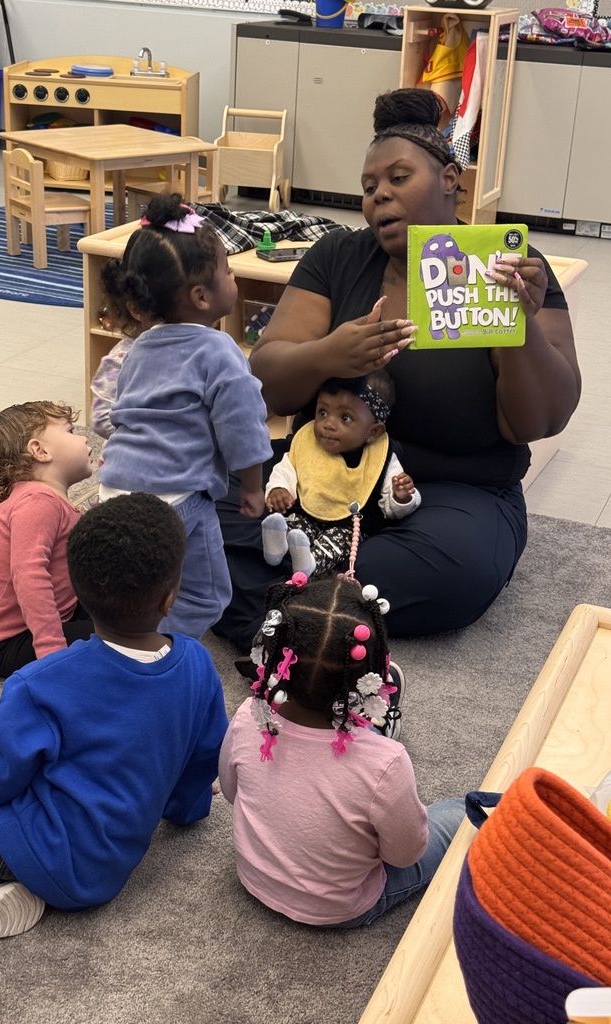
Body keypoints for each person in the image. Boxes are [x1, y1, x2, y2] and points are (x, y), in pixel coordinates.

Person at [214, 88, 581, 651]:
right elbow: (267, 383)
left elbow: (539, 420)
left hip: (453, 492)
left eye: (399, 178)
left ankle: (271, 608)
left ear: (450, 178)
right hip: (322, 472)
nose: (379, 195)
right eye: (368, 187)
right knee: (198, 508)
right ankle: (315, 613)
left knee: (457, 569)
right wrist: (329, 355)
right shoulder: (337, 257)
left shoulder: (507, 268)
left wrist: (520, 323)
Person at [0, 493, 228, 1021]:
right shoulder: (196, 665)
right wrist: (189, 810)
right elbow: (202, 760)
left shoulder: (41, 681)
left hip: (42, 843)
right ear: (170, 596)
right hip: (110, 866)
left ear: (77, 590)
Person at [219, 572, 465, 927]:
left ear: (273, 659)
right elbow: (405, 854)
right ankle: (376, 724)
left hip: (254, 878)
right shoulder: (388, 764)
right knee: (465, 816)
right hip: (339, 909)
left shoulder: (248, 716)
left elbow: (230, 792)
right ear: (371, 672)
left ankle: (372, 730)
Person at [98, 192, 272, 641]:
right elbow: (243, 429)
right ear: (200, 296)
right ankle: (165, 655)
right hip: (179, 498)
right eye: (229, 271)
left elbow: (123, 415)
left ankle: (122, 639)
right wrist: (252, 488)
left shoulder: (137, 348)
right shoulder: (219, 351)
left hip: (114, 488)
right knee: (206, 595)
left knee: (137, 584)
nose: (233, 277)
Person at [0, 401, 94, 678]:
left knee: (122, 612)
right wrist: (53, 653)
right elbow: (29, 577)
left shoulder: (44, 499)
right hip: (3, 642)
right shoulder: (38, 503)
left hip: (45, 617)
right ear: (39, 451)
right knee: (118, 640)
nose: (83, 437)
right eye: (71, 431)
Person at [262, 369, 420, 576]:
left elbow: (392, 508)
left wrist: (401, 497)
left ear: (372, 432)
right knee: (294, 526)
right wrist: (279, 489)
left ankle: (309, 563)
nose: (328, 424)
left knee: (338, 543)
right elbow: (286, 469)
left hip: (350, 526)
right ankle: (277, 548)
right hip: (307, 514)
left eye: (345, 418)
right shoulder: (308, 441)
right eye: (323, 412)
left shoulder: (381, 457)